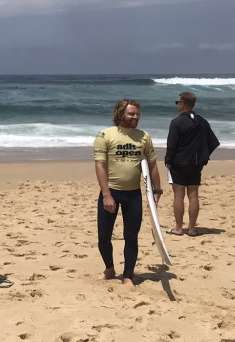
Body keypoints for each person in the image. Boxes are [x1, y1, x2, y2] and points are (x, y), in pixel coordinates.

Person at [94, 99, 162, 287]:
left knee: (131, 236)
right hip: (111, 193)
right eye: (131, 114)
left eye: (137, 114)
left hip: (133, 195)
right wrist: (106, 194)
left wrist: (157, 190)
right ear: (120, 114)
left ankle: (128, 275)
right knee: (103, 236)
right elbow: (99, 166)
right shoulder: (105, 135)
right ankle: (109, 268)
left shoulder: (144, 136)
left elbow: (152, 165)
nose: (135, 117)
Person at [165, 92, 220, 237]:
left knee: (178, 196)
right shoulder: (203, 122)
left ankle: (178, 228)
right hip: (196, 163)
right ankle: (191, 229)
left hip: (178, 163)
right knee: (193, 195)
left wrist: (168, 161)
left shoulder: (176, 122)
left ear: (183, 104)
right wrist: (204, 157)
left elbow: (171, 144)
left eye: (178, 102)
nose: (177, 104)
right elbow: (213, 142)